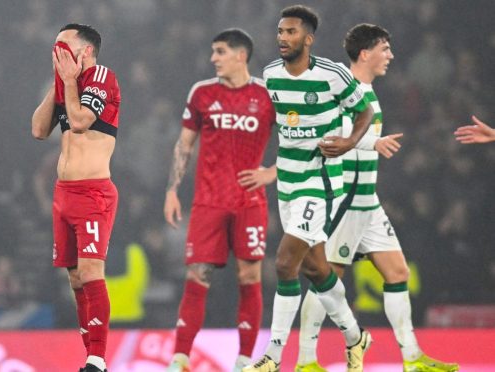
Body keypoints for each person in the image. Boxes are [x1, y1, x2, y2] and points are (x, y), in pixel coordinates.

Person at [294, 23, 460, 372]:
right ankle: (305, 360)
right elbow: (331, 137)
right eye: (385, 49)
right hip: (345, 202)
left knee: (398, 271)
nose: (391, 55)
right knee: (329, 277)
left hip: (368, 203)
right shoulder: (344, 90)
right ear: (365, 53)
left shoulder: (368, 91)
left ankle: (412, 358)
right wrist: (372, 142)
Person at [244, 5, 374, 372]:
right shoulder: (270, 74)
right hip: (288, 180)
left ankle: (273, 355)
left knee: (285, 263)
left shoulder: (332, 75)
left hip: (323, 181)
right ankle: (355, 336)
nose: (282, 38)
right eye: (280, 32)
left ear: (308, 38)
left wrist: (348, 143)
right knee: (315, 269)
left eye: (290, 32)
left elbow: (363, 112)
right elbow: (271, 123)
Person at [164, 29, 277, 372]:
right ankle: (180, 357)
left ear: (241, 55)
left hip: (250, 202)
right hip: (208, 202)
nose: (213, 58)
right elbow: (184, 145)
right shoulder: (202, 93)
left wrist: (271, 173)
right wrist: (172, 190)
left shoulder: (268, 94)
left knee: (249, 276)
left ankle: (244, 359)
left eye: (220, 51)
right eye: (213, 51)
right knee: (198, 276)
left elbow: (299, 140)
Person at [31, 23, 121, 372]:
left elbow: (81, 120)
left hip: (93, 191)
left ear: (84, 51)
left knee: (90, 271)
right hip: (63, 193)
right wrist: (58, 81)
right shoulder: (65, 83)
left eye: (63, 45)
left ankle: (97, 358)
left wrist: (68, 82)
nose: (56, 50)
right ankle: (91, 358)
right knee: (74, 278)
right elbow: (39, 130)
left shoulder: (101, 76)